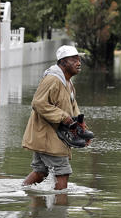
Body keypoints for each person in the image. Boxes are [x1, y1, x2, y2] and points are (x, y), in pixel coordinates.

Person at [21, 45, 88, 189]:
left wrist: (81, 126)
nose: (78, 62)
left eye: (79, 58)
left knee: (40, 172)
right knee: (62, 173)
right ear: (63, 62)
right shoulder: (53, 79)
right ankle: (60, 209)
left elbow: (72, 105)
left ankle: (25, 198)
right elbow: (38, 103)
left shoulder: (67, 81)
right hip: (48, 135)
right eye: (74, 59)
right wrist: (64, 117)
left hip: (47, 135)